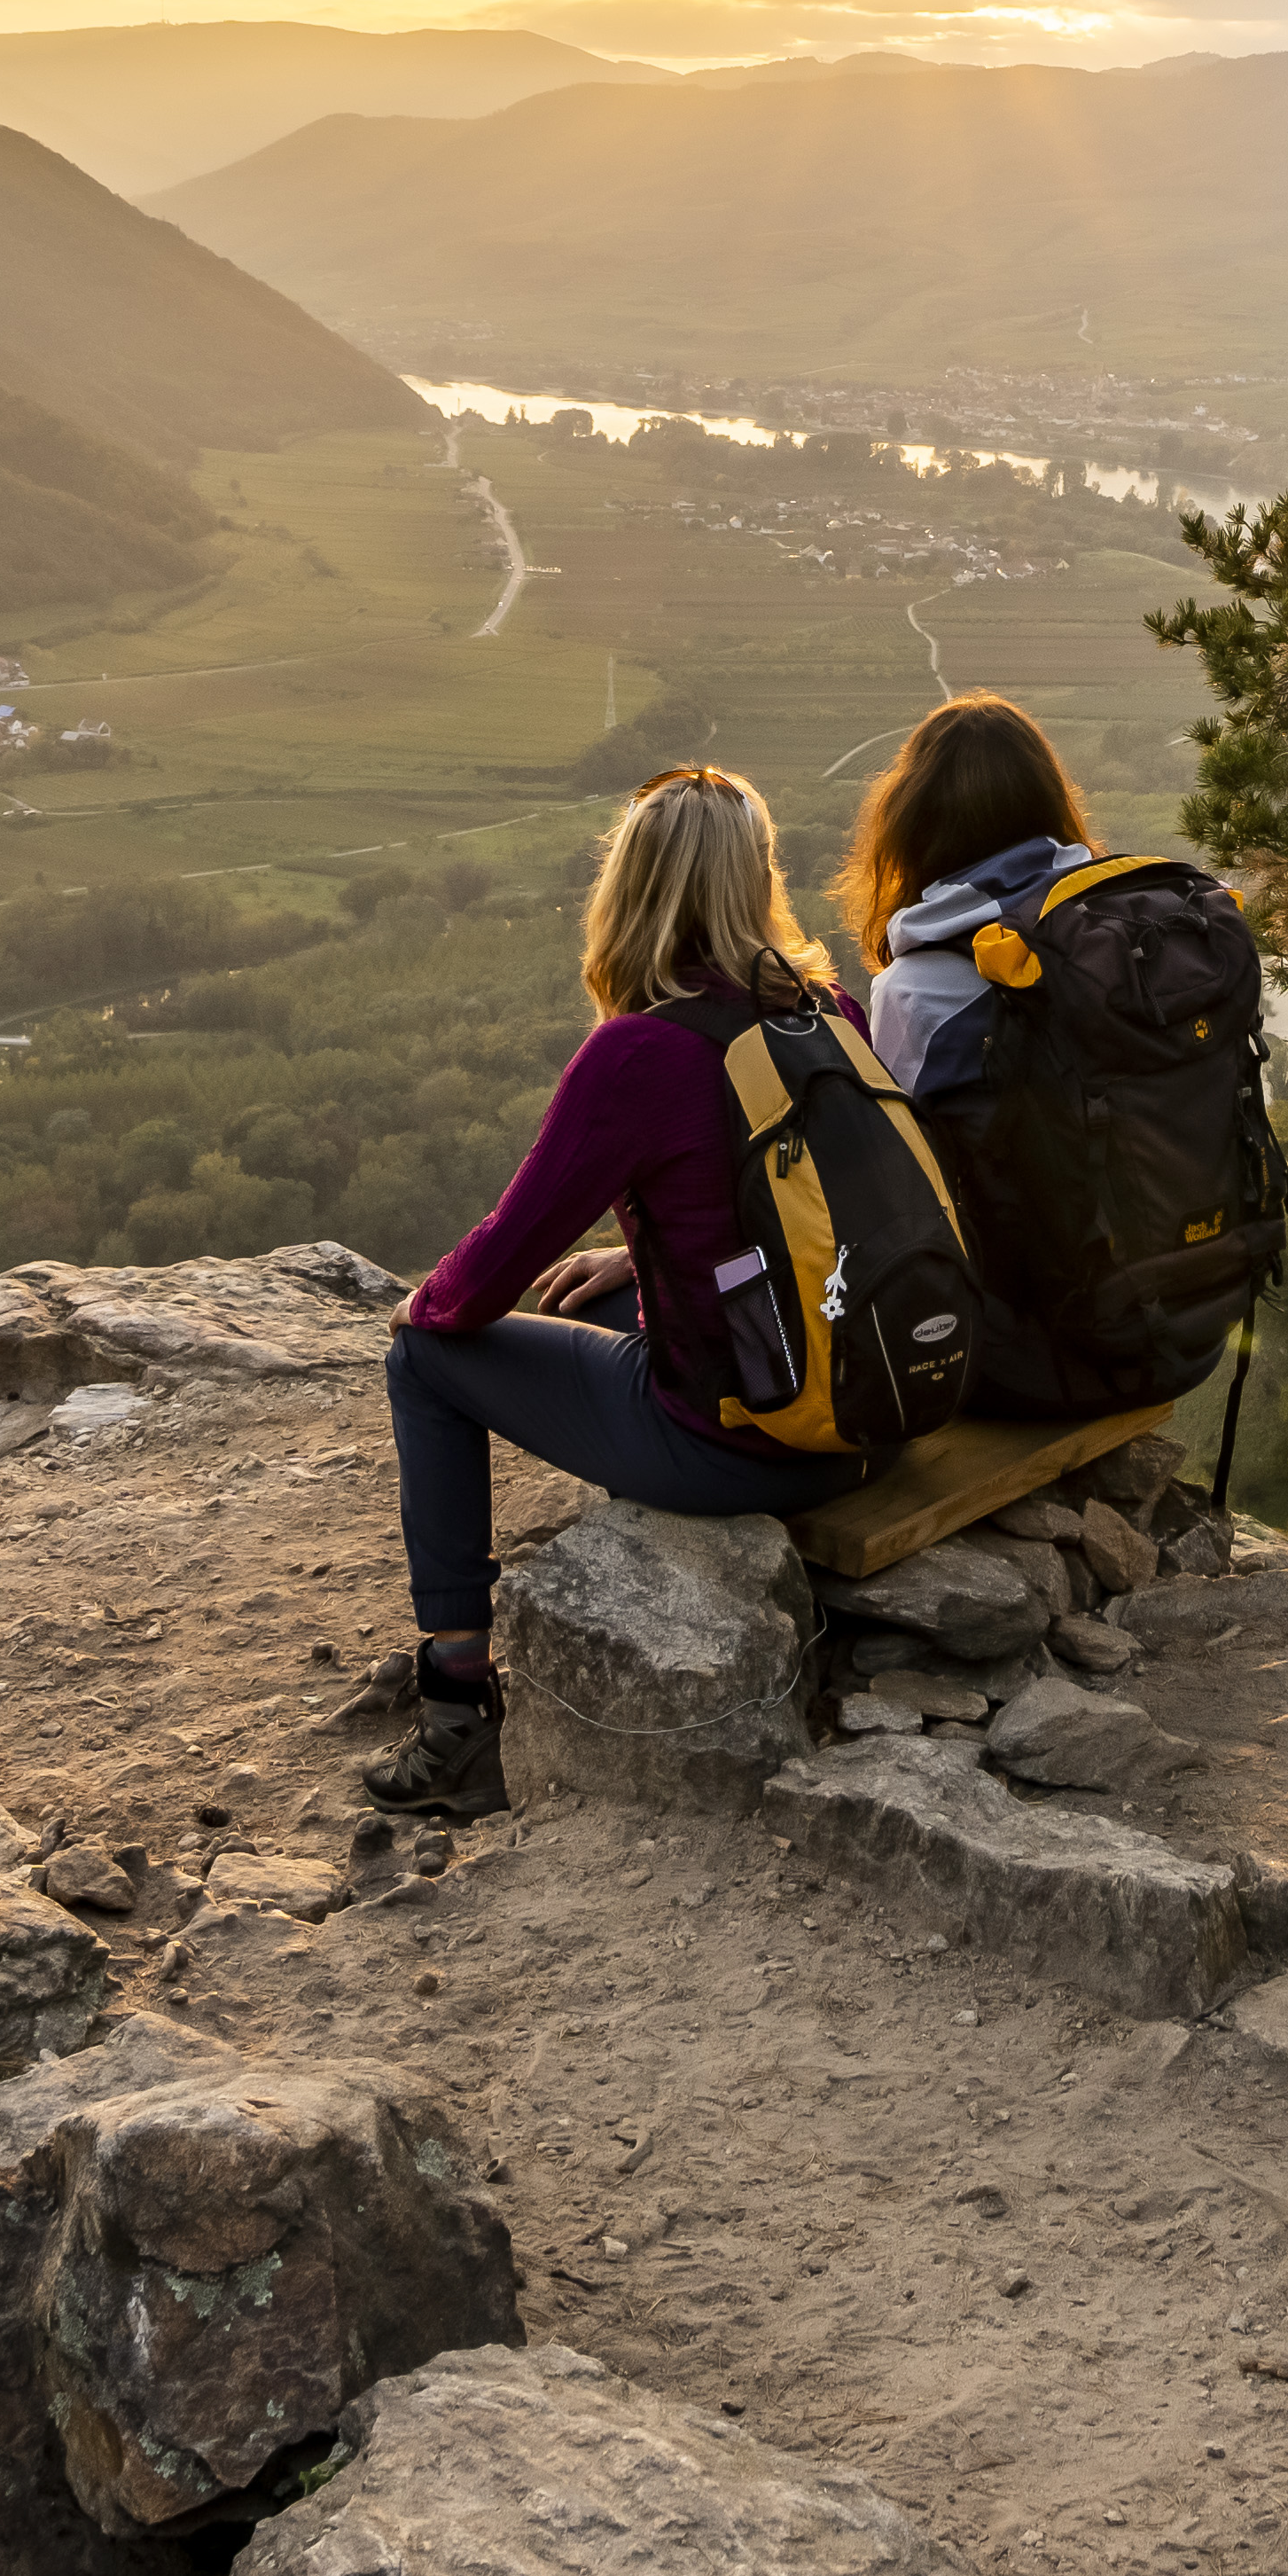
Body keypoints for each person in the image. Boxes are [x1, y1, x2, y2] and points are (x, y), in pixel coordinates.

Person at [363, 763, 872, 1811]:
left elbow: (488, 1273)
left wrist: (425, 1304)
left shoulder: (636, 1054)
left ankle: (456, 1707)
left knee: (423, 1359)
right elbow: (811, 1225)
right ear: (755, 882)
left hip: (737, 1448)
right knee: (585, 1297)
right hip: (865, 1418)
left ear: (628, 887)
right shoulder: (825, 1014)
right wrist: (639, 1261)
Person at [840, 691, 1098, 1096]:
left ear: (914, 823)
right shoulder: (1121, 918)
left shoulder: (913, 991)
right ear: (1051, 802)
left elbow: (903, 1147)